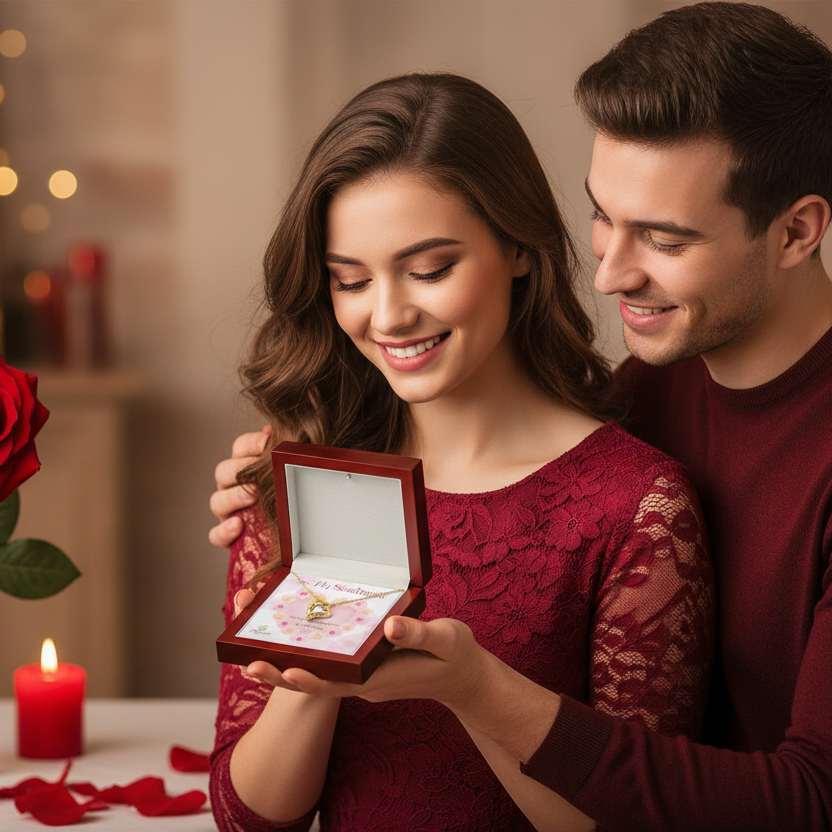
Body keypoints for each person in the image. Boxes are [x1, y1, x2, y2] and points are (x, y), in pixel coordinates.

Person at [211, 3, 832, 830]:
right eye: (603, 216)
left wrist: (475, 688)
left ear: (797, 231)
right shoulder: (645, 391)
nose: (608, 274)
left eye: (665, 240)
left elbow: (811, 802)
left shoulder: (639, 484)